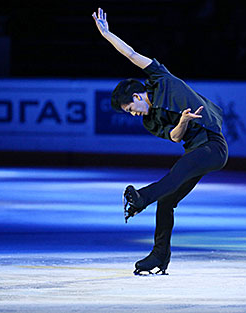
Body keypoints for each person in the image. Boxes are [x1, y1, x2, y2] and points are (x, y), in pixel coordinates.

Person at [93, 8, 228, 275]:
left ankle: (142, 197)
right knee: (167, 200)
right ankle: (159, 256)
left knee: (176, 174)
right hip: (195, 149)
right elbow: (175, 136)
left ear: (139, 95)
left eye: (130, 108)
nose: (133, 114)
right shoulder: (149, 121)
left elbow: (131, 54)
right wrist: (183, 121)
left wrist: (107, 34)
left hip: (213, 146)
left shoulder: (159, 79)